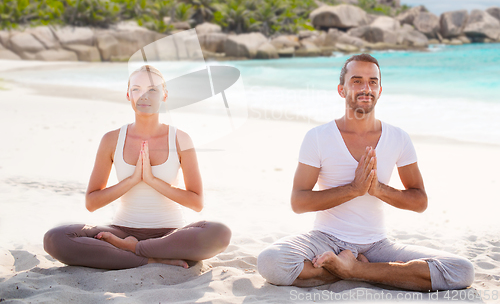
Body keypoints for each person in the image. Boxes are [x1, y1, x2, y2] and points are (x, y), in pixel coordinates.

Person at [257, 54, 474, 291]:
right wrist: (353, 190)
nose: (366, 88)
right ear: (342, 89)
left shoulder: (398, 138)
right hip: (325, 239)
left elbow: (419, 201)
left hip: (376, 246)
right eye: (357, 81)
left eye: (372, 82)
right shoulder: (318, 137)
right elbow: (299, 202)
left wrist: (378, 190)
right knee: (271, 261)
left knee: (462, 270)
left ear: (380, 90)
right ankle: (353, 270)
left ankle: (354, 270)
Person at [44, 65, 231, 269]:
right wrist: (132, 180)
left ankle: (134, 250)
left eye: (152, 89)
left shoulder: (180, 139)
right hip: (122, 230)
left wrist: (152, 181)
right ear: (128, 95)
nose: (144, 96)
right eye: (136, 89)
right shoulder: (112, 139)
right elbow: (92, 202)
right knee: (55, 238)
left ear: (164, 95)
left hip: (170, 235)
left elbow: (196, 203)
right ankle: (150, 257)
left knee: (220, 232)